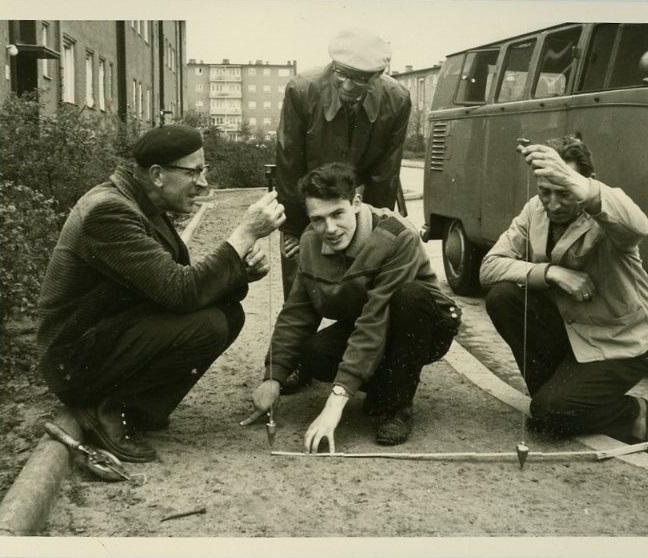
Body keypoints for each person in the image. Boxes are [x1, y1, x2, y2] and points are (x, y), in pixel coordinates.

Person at [37, 125, 285, 462]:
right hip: (74, 359)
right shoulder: (109, 212)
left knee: (228, 314)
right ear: (157, 175)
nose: (203, 182)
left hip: (104, 334)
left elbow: (177, 282)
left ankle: (138, 409)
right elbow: (180, 292)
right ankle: (110, 410)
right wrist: (244, 234)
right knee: (209, 324)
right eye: (193, 172)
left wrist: (240, 270)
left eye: (204, 169)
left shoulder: (138, 202)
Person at [241, 163, 460, 451]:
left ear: (355, 203)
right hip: (368, 319)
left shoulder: (397, 236)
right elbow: (297, 312)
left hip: (425, 324)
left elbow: (375, 319)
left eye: (337, 214)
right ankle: (386, 384)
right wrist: (273, 376)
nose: (329, 229)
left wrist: (335, 404)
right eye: (318, 219)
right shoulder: (310, 241)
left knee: (409, 297)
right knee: (313, 353)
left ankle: (396, 405)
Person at [479, 135, 648, 446]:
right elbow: (489, 267)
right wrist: (550, 273)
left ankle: (633, 413)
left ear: (585, 181)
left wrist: (578, 184)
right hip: (574, 333)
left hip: (620, 343)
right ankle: (554, 401)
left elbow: (640, 227)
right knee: (503, 297)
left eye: (564, 192)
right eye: (545, 192)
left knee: (550, 414)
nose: (553, 204)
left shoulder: (606, 211)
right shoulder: (534, 210)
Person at [275, 28, 412, 299]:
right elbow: (289, 164)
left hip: (359, 202)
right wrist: (292, 229)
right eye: (341, 73)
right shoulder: (302, 90)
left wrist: (377, 230)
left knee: (367, 282)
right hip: (305, 202)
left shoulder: (397, 99)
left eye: (359, 79)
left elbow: (386, 174)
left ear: (378, 74)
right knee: (299, 285)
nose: (347, 86)